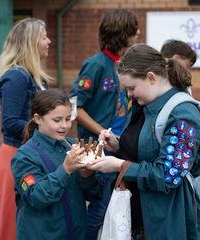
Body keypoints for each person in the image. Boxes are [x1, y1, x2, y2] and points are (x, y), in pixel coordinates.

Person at [88, 43, 200, 240]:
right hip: (138, 215)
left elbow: (168, 175)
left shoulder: (183, 116)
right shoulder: (144, 104)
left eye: (131, 88)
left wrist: (120, 165)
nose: (129, 94)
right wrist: (119, 146)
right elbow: (146, 149)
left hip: (165, 221)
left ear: (151, 78)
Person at [69, 9, 140, 239]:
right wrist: (103, 132)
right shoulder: (95, 65)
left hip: (121, 147)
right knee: (98, 209)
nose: (138, 33)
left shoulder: (125, 65)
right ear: (121, 33)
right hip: (98, 150)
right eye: (133, 29)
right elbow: (74, 107)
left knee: (116, 208)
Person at [11, 89, 103, 240]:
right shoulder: (24, 156)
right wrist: (65, 169)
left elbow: (95, 194)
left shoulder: (73, 146)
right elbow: (36, 197)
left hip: (76, 232)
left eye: (68, 119)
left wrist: (88, 176)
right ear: (38, 119)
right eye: (57, 120)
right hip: (42, 234)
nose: (64, 126)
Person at [0, 18, 52, 240]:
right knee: (13, 225)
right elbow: (9, 123)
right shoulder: (16, 77)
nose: (49, 41)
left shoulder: (37, 77)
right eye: (44, 37)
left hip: (32, 154)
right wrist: (45, 127)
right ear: (30, 43)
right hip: (16, 156)